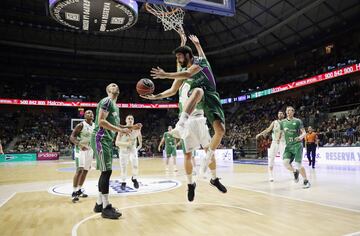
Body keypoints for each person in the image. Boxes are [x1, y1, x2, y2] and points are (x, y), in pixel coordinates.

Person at [142, 35, 227, 201]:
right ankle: (190, 184)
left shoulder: (194, 73)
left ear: (188, 57)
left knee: (210, 149)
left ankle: (214, 178)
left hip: (200, 116)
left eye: (180, 57)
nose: (178, 60)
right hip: (187, 120)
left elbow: (194, 63)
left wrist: (166, 73)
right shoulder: (181, 80)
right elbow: (171, 91)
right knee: (188, 156)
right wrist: (155, 97)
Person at [90, 83, 142, 219]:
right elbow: (101, 121)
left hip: (107, 140)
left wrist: (129, 127)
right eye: (112, 85)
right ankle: (106, 208)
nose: (115, 86)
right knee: (106, 171)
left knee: (105, 171)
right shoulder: (106, 101)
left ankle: (99, 204)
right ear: (108, 90)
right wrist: (120, 130)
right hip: (100, 138)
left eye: (117, 86)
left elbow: (116, 124)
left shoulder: (116, 107)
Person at [280, 106, 311, 188]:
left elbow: (304, 133)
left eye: (290, 110)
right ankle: (295, 172)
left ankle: (306, 181)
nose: (288, 112)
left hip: (297, 145)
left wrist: (300, 137)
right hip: (288, 146)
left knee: (298, 164)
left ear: (293, 112)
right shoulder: (282, 122)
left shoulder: (297, 121)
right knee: (285, 163)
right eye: (287, 110)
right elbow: (281, 133)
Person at [69, 110, 94, 203]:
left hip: (90, 150)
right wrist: (79, 144)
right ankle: (74, 192)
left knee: (85, 171)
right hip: (80, 150)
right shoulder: (81, 125)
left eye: (92, 113)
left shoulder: (95, 125)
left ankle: (79, 189)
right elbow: (72, 137)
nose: (91, 114)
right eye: (88, 113)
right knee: (79, 170)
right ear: (84, 115)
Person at [256, 111, 286, 181]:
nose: (279, 114)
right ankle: (271, 175)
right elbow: (268, 130)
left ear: (284, 115)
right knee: (271, 158)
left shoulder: (286, 122)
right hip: (275, 142)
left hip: (283, 142)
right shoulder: (274, 122)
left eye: (281, 113)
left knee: (285, 160)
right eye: (278, 113)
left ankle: (293, 172)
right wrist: (260, 134)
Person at [115, 114, 142, 190]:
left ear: (133, 121)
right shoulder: (121, 130)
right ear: (126, 120)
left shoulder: (137, 128)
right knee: (123, 167)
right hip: (123, 150)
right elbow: (116, 143)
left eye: (132, 119)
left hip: (132, 149)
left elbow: (139, 136)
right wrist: (126, 144)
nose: (130, 120)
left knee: (135, 164)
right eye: (129, 118)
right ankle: (123, 182)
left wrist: (140, 145)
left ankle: (134, 178)